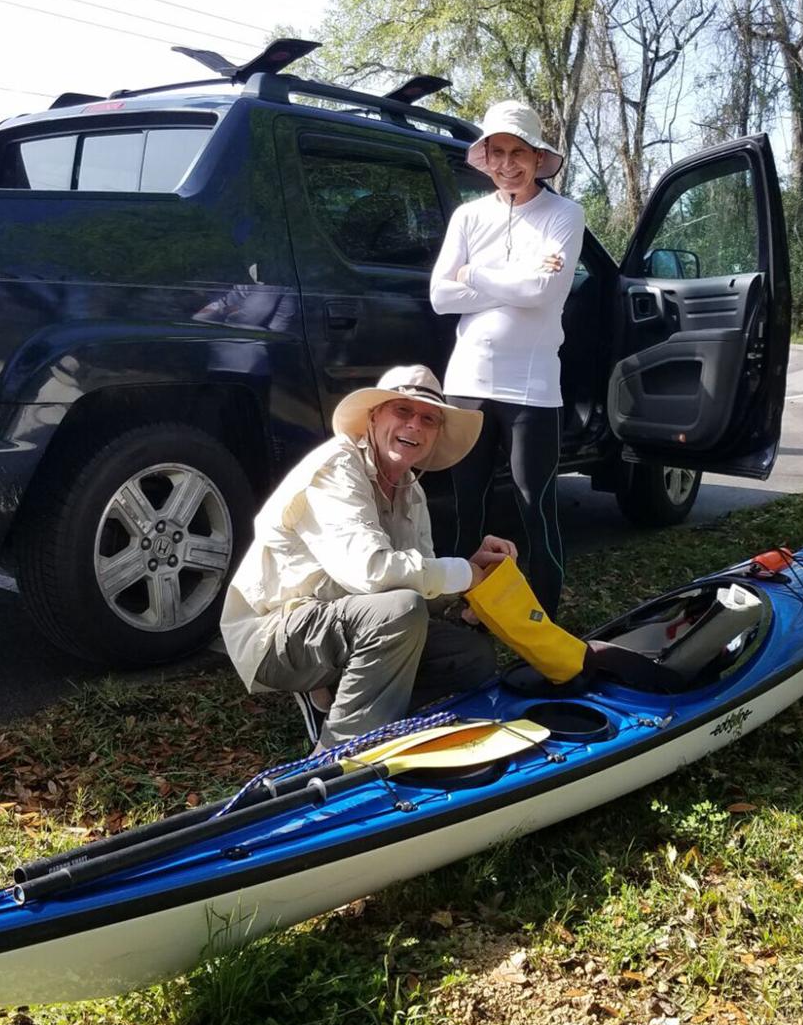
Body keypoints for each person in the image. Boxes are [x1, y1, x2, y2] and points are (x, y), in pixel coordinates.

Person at [220, 364, 517, 749]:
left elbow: (419, 589)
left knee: (471, 655)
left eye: (428, 419)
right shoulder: (336, 467)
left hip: (346, 620)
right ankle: (339, 756)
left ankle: (358, 708)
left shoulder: (412, 491)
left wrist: (472, 574)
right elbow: (371, 574)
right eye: (403, 411)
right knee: (399, 612)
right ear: (374, 417)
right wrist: (463, 573)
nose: (415, 426)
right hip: (273, 632)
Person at [430, 100, 585, 618]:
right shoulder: (469, 216)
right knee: (465, 505)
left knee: (533, 506)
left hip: (532, 387)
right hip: (468, 380)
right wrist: (513, 284)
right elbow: (439, 296)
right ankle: (461, 611)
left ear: (539, 157)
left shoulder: (565, 214)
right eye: (496, 152)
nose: (506, 164)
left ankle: (545, 618)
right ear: (485, 157)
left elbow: (545, 292)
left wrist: (473, 274)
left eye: (518, 152)